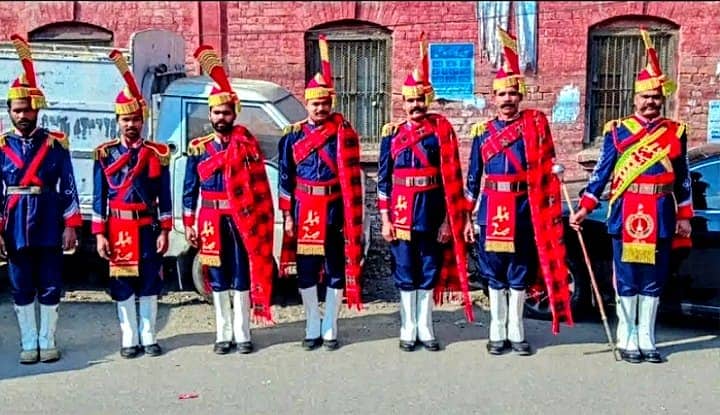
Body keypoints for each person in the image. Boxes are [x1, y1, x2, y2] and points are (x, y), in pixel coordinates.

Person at [570, 28, 692, 364]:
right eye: (645, 97)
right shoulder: (618, 130)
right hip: (626, 210)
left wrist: (684, 216)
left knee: (653, 279)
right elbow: (602, 173)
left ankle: (647, 338)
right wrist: (585, 207)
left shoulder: (675, 132)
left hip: (661, 211)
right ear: (634, 98)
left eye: (656, 97)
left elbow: (682, 179)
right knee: (626, 276)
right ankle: (626, 337)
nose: (651, 102)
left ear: (662, 99)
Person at [464, 27, 574, 356]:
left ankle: (517, 329)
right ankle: (497, 330)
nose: (507, 99)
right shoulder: (482, 133)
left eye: (512, 93)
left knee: (520, 270)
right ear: (494, 97)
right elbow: (473, 178)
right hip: (492, 206)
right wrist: (467, 217)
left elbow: (549, 160)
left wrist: (556, 172)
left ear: (520, 94)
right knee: (494, 272)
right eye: (501, 94)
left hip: (524, 208)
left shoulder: (536, 126)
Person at [378, 32, 473, 352]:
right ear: (402, 103)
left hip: (432, 212)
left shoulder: (440, 133)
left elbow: (451, 180)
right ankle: (407, 327)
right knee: (405, 269)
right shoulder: (390, 136)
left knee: (429, 268)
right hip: (401, 212)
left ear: (427, 100)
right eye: (410, 100)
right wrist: (385, 219)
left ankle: (425, 326)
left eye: (420, 99)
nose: (415, 105)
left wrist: (449, 220)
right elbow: (383, 181)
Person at [183, 45, 275, 355]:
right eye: (216, 112)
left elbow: (261, 186)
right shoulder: (199, 148)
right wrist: (188, 224)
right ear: (209, 114)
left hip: (241, 220)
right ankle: (222, 333)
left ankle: (242, 332)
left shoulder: (247, 145)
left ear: (234, 114)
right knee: (217, 275)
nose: (221, 117)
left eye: (226, 112)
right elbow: (188, 189)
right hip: (210, 220)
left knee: (241, 273)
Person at [278, 35, 364, 351]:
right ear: (307, 103)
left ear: (331, 103)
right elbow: (285, 178)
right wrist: (287, 215)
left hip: (333, 211)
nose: (320, 108)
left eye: (325, 103)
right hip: (303, 210)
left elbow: (352, 178)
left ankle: (331, 325)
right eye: (315, 103)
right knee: (307, 271)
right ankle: (312, 322)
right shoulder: (292, 137)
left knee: (335, 268)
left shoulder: (343, 133)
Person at [2, 34, 82, 364]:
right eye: (18, 110)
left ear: (37, 110)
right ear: (10, 111)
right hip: (16, 220)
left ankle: (47, 339)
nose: (23, 115)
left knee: (50, 282)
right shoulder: (2, 147)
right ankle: (28, 341)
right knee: (21, 284)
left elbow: (69, 185)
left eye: (28, 109)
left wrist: (71, 225)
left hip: (49, 218)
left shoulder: (55, 144)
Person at [92, 50, 172, 359]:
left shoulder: (155, 153)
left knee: (149, 280)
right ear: (118, 121)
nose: (131, 124)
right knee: (123, 281)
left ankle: (149, 335)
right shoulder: (105, 154)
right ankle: (129, 337)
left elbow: (163, 195)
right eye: (126, 119)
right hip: (118, 226)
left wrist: (165, 230)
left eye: (136, 119)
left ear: (143, 120)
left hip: (145, 226)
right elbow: (100, 198)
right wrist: (99, 234)